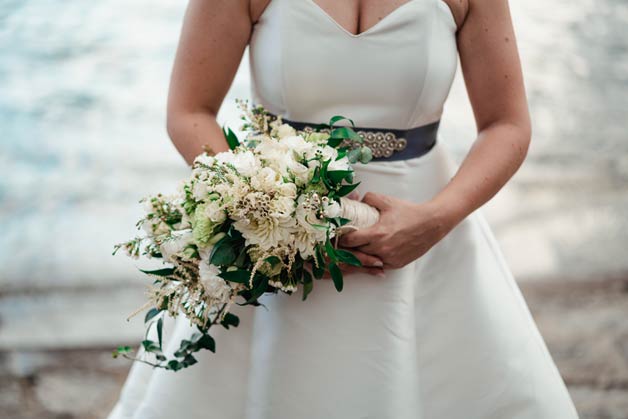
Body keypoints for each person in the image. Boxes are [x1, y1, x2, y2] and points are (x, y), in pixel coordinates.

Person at [108, 0, 580, 418]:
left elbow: (507, 124)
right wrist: (266, 212)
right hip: (275, 233)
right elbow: (189, 111)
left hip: (426, 235)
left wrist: (435, 219)